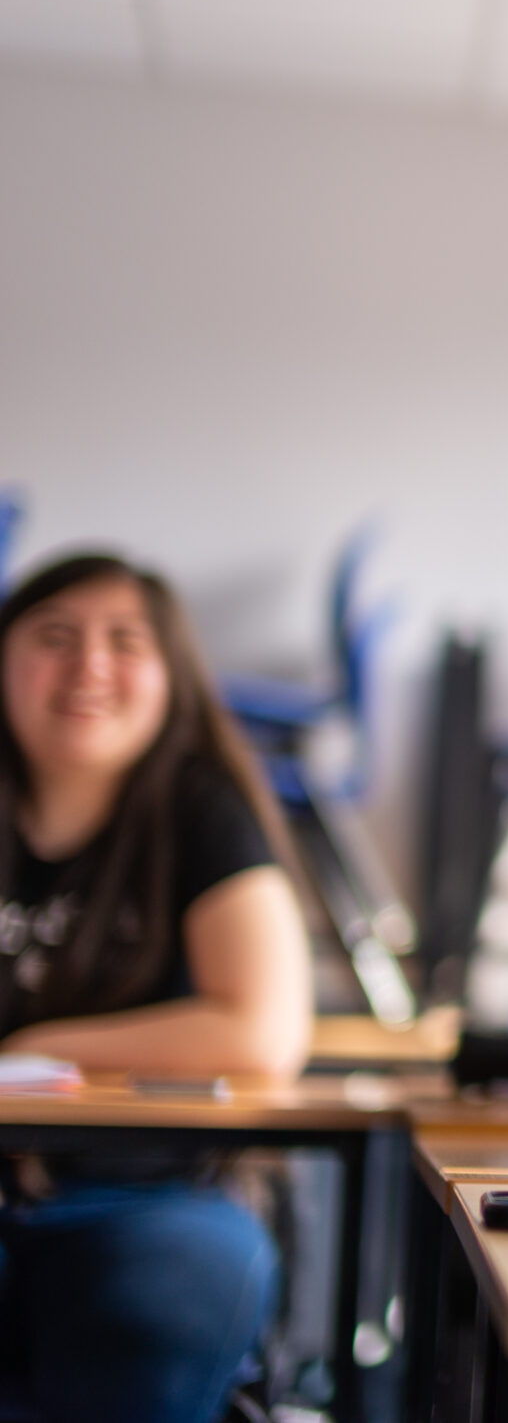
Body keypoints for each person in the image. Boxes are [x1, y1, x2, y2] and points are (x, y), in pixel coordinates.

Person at [0, 552, 314, 1421]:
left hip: (153, 1191)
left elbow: (260, 1030)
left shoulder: (202, 811)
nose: (88, 665)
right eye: (54, 637)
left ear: (170, 675)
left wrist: (37, 1046)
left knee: (153, 1300)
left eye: (123, 641)